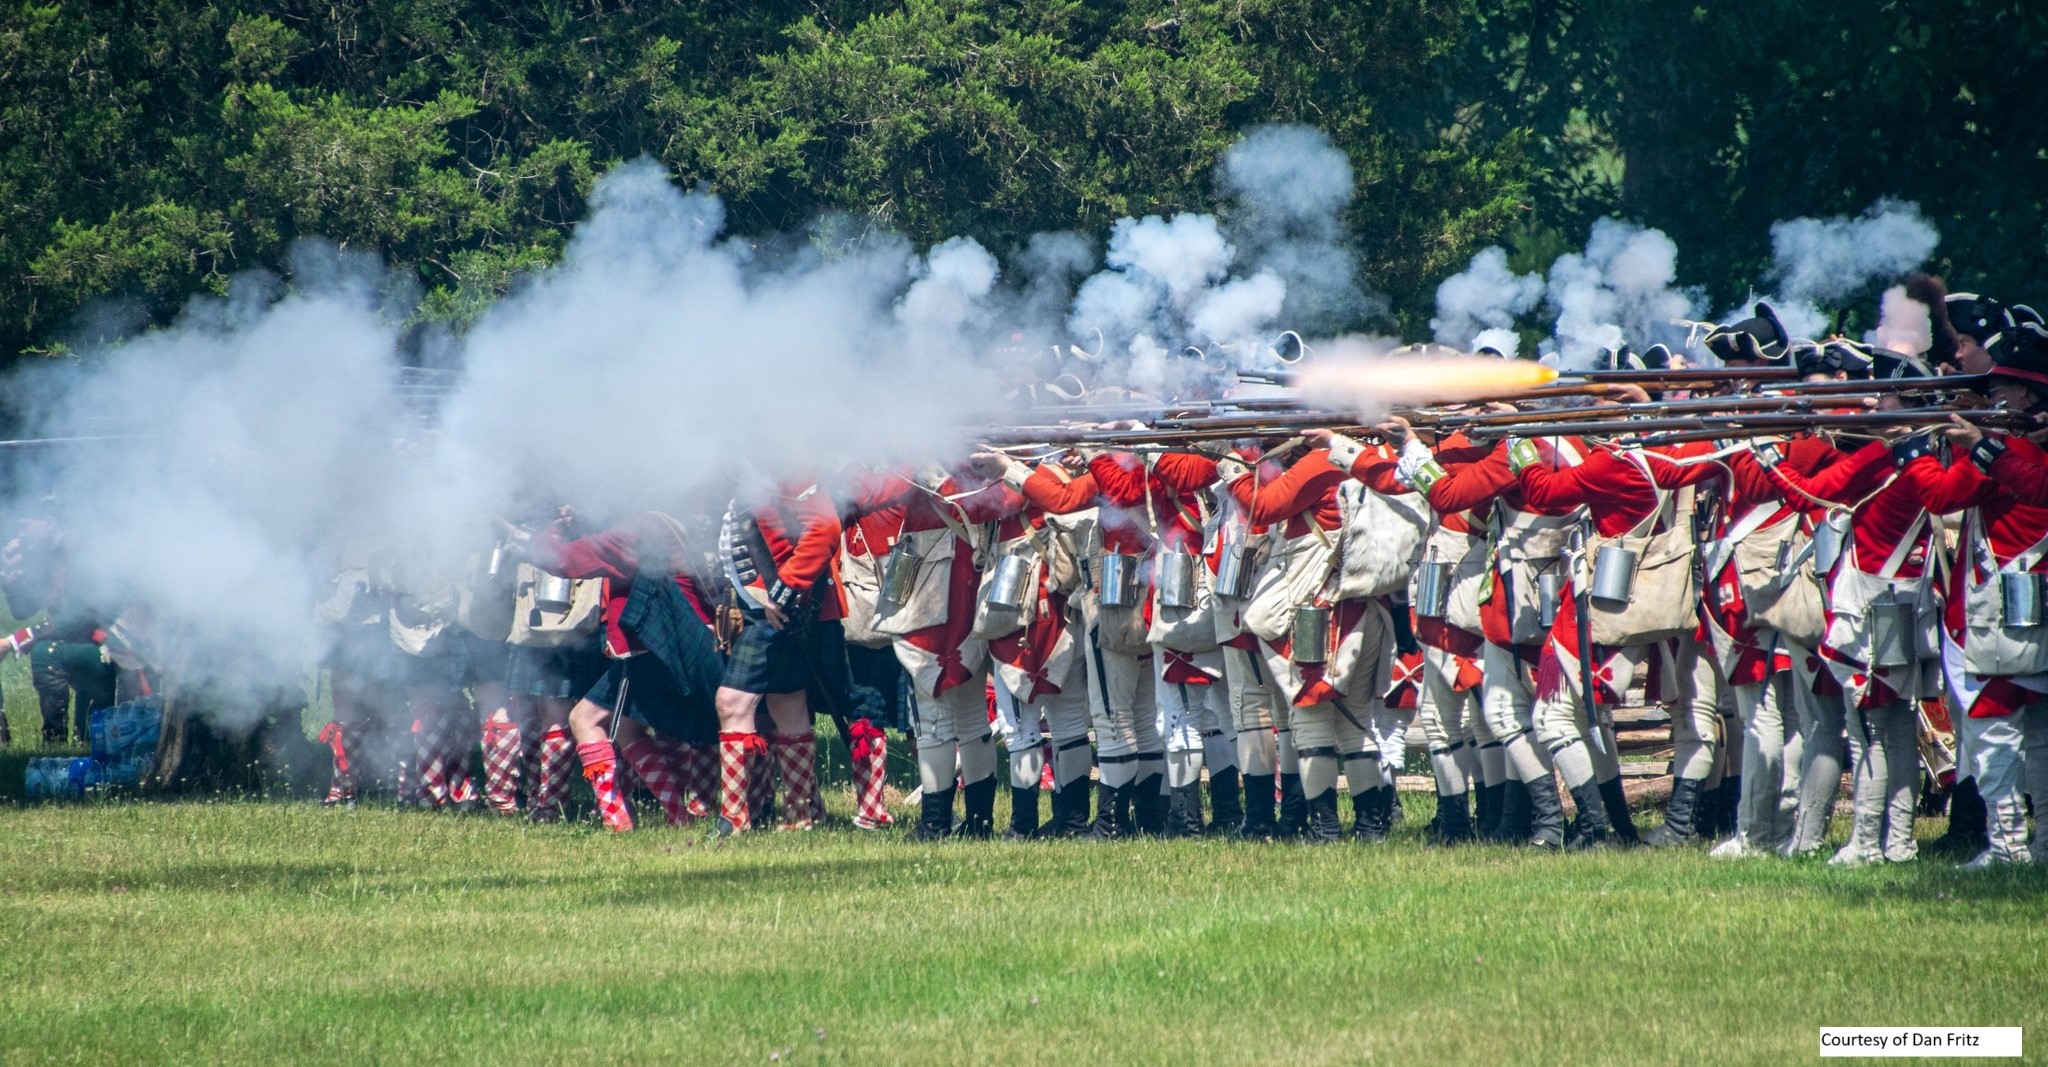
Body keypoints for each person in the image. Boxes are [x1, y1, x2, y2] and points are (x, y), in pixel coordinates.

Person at [527, 509, 725, 832]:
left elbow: (564, 561)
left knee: (583, 720)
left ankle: (617, 820)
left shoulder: (636, 529)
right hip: (665, 647)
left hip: (649, 650)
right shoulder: (667, 519)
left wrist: (540, 536)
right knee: (625, 729)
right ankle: (679, 816)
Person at [713, 481, 846, 835]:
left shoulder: (788, 468)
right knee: (787, 705)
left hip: (779, 607)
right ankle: (803, 814)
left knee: (731, 702)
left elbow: (825, 528)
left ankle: (734, 818)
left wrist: (787, 586)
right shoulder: (743, 474)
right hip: (760, 606)